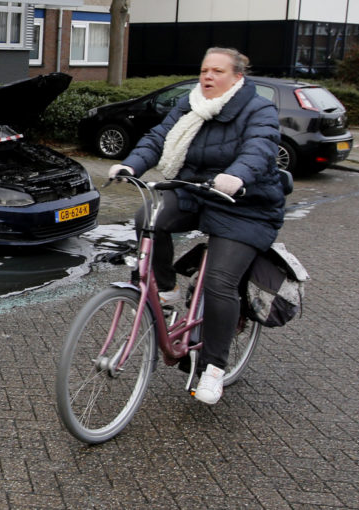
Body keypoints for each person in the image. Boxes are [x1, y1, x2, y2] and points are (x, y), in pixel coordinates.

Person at [108, 47, 285, 405]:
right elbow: (158, 138)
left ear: (237, 77)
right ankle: (168, 289)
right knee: (148, 217)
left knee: (220, 282)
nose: (207, 77)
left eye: (217, 71)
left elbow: (260, 148)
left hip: (245, 205)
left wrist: (236, 176)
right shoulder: (190, 104)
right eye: (204, 69)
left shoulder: (258, 109)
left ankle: (214, 369)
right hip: (196, 192)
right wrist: (132, 166)